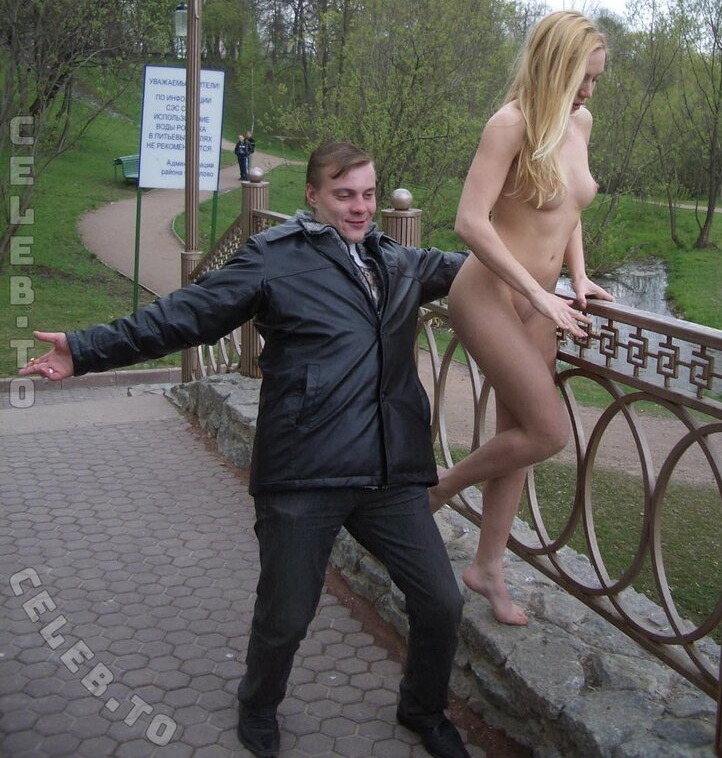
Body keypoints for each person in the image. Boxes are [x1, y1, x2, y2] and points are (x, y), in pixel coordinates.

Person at [20, 142, 471, 758]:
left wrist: (562, 280)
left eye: (368, 194)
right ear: (311, 195)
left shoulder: (400, 262)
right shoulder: (273, 258)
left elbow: (484, 266)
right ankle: (258, 702)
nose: (361, 207)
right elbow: (184, 316)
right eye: (344, 195)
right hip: (305, 471)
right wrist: (84, 350)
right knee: (286, 616)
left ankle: (422, 708)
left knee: (442, 601)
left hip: (390, 473)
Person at [428, 10, 614, 626]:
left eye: (596, 79)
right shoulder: (509, 125)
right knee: (548, 431)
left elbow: (569, 208)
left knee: (521, 439)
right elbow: (469, 221)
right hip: (490, 294)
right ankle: (438, 488)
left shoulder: (579, 123)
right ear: (556, 67)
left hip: (547, 300)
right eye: (583, 77)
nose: (590, 92)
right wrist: (537, 294)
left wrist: (578, 276)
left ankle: (487, 569)